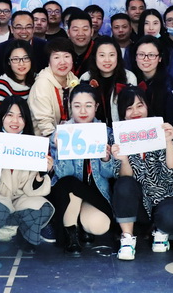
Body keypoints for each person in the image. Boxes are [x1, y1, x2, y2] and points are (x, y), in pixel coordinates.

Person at [111, 87, 173, 261]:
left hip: (167, 195)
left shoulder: (164, 129)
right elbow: (124, 179)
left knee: (171, 218)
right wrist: (124, 160)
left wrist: (168, 142)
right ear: (122, 113)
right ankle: (127, 239)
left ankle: (161, 231)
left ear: (147, 107)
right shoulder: (118, 137)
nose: (135, 112)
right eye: (129, 108)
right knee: (123, 184)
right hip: (139, 203)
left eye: (140, 105)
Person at [0, 97, 55, 255]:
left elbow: (31, 191)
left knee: (41, 208)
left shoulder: (33, 144)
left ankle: (24, 234)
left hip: (19, 199)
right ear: (1, 117)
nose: (15, 121)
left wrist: (42, 172)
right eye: (10, 115)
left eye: (20, 116)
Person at [50, 84, 118, 256]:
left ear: (96, 107)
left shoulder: (107, 133)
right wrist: (61, 151)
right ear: (70, 107)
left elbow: (111, 174)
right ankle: (71, 233)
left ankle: (82, 224)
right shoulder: (60, 134)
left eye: (88, 105)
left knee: (99, 226)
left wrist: (106, 159)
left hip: (95, 192)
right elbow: (63, 176)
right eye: (77, 105)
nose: (82, 111)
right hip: (69, 193)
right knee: (69, 183)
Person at [129, 36, 173, 138]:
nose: (146, 59)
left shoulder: (169, 84)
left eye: (151, 55)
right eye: (141, 55)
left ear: (160, 58)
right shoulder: (130, 80)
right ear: (135, 57)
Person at [79, 36, 136, 127]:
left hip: (122, 129)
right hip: (94, 130)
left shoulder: (129, 77)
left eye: (111, 55)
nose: (107, 60)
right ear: (95, 57)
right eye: (102, 55)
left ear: (118, 56)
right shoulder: (86, 78)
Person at [29, 38, 79, 137]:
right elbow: (45, 124)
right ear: (49, 62)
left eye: (66, 56)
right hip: (45, 140)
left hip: (71, 137)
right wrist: (57, 141)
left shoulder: (74, 80)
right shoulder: (42, 84)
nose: (62, 62)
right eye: (56, 57)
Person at [0, 10, 48, 81]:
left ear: (33, 29)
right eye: (19, 27)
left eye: (28, 27)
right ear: (11, 29)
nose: (24, 31)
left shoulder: (45, 47)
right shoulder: (0, 49)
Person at [0, 40, 35, 109]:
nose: (21, 63)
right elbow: (2, 114)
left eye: (26, 58)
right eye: (15, 59)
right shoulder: (3, 84)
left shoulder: (37, 79)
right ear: (9, 62)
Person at [67, 10, 95, 77]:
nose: (80, 34)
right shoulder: (61, 50)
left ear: (92, 32)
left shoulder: (99, 51)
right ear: (68, 33)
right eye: (75, 30)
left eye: (85, 29)